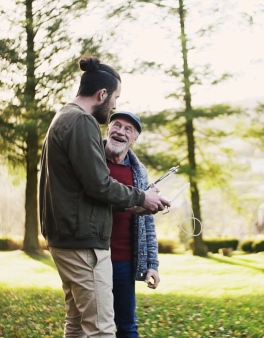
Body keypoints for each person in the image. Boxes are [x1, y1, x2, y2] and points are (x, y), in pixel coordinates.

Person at [39, 56, 170, 338]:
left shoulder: (62, 118)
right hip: (83, 242)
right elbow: (99, 185)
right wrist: (142, 198)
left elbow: (82, 187)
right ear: (102, 94)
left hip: (65, 238)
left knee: (75, 323)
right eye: (115, 98)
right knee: (101, 329)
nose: (114, 106)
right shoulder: (82, 122)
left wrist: (136, 204)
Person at [104, 111, 160, 338]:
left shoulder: (139, 171)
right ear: (107, 130)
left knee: (127, 326)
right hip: (91, 257)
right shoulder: (91, 163)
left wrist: (152, 264)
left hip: (124, 263)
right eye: (116, 125)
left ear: (134, 139)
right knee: (93, 323)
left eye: (128, 129)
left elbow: (147, 222)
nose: (121, 132)